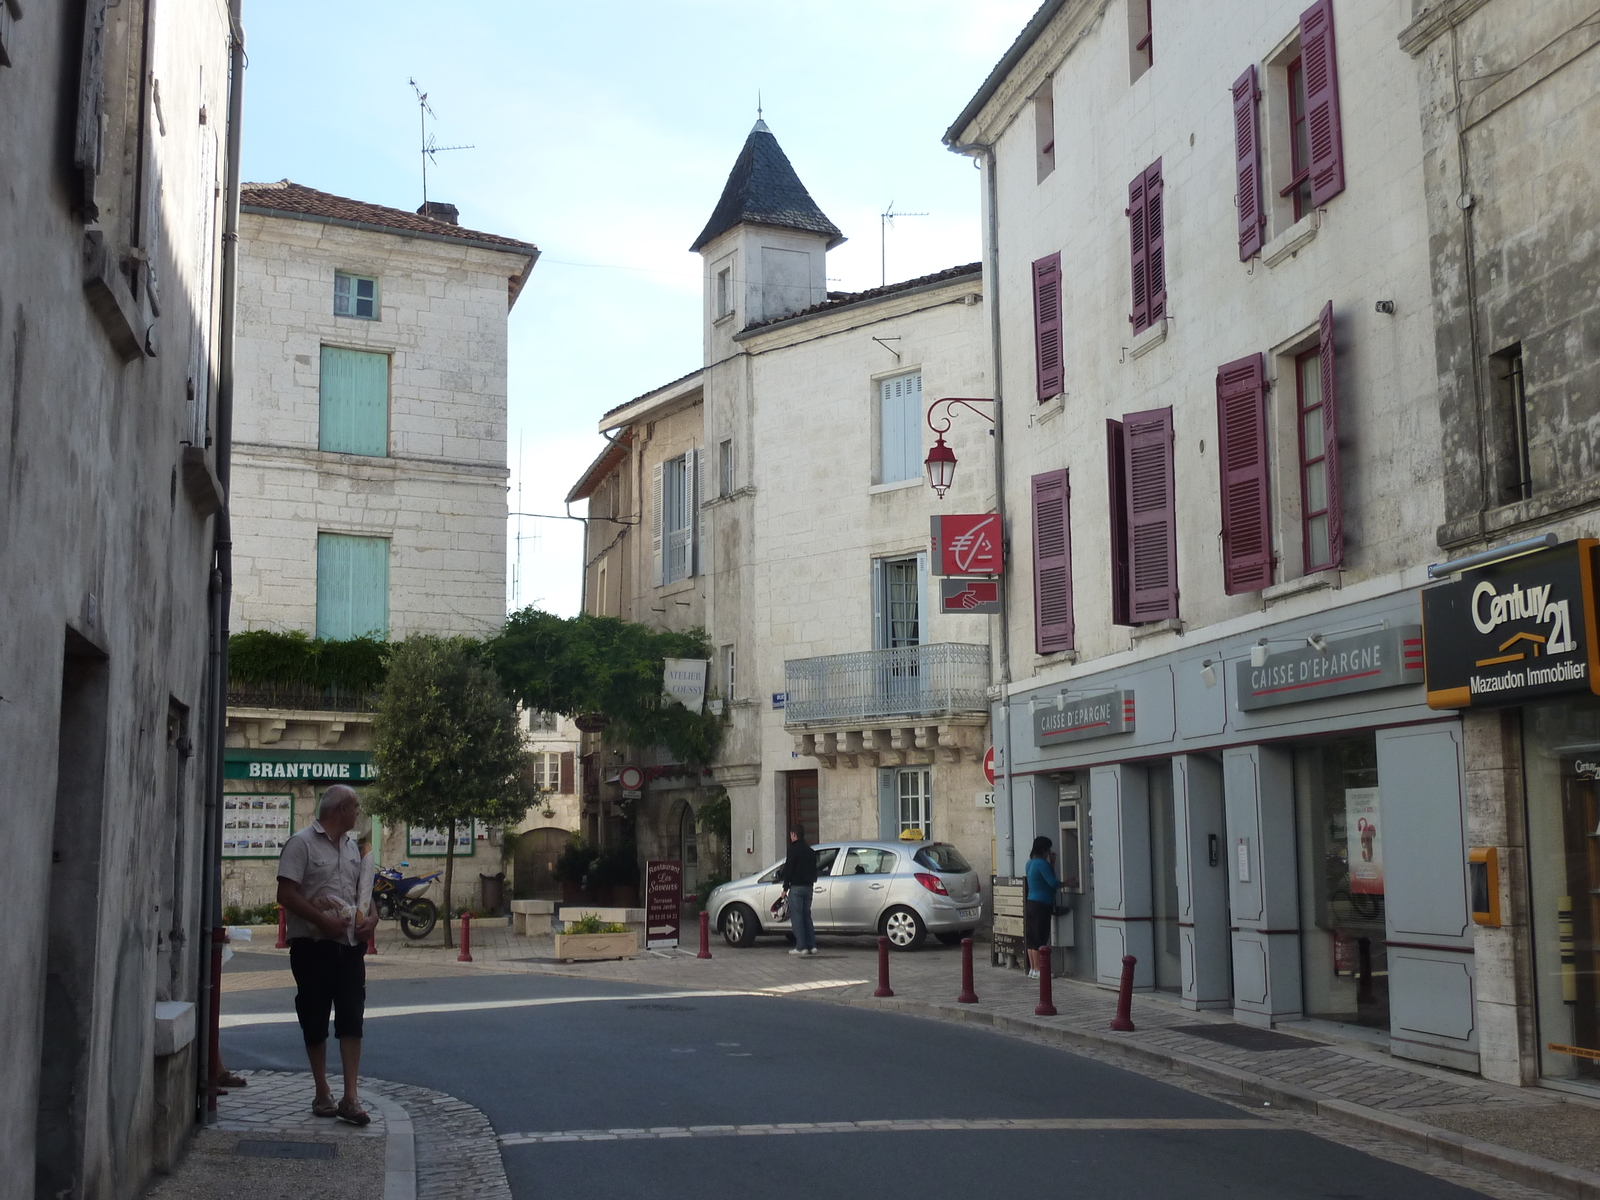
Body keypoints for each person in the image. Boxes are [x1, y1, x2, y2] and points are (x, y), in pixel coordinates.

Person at [276, 785, 380, 1125]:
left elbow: (362, 893)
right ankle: (322, 1091)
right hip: (313, 946)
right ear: (341, 810)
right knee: (315, 1018)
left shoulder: (353, 849)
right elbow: (286, 894)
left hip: (350, 947)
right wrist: (323, 921)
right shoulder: (301, 843)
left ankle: (351, 1096)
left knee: (352, 1017)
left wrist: (372, 920)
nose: (358, 813)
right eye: (355, 808)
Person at [779, 824, 818, 957]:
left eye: (791, 835)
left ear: (794, 835)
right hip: (809, 887)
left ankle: (801, 947)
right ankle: (811, 945)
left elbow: (789, 869)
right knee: (807, 916)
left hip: (796, 887)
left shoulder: (793, 850)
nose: (790, 837)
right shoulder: (810, 851)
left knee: (797, 917)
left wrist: (785, 887)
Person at [1024, 835, 1060, 980]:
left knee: (1032, 937)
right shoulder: (1041, 864)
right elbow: (1053, 883)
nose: (1049, 852)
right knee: (1041, 937)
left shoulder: (1030, 863)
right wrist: (1068, 883)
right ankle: (1040, 970)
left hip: (1031, 903)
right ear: (1044, 849)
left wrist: (1051, 863)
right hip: (1042, 905)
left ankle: (1033, 969)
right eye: (1048, 849)